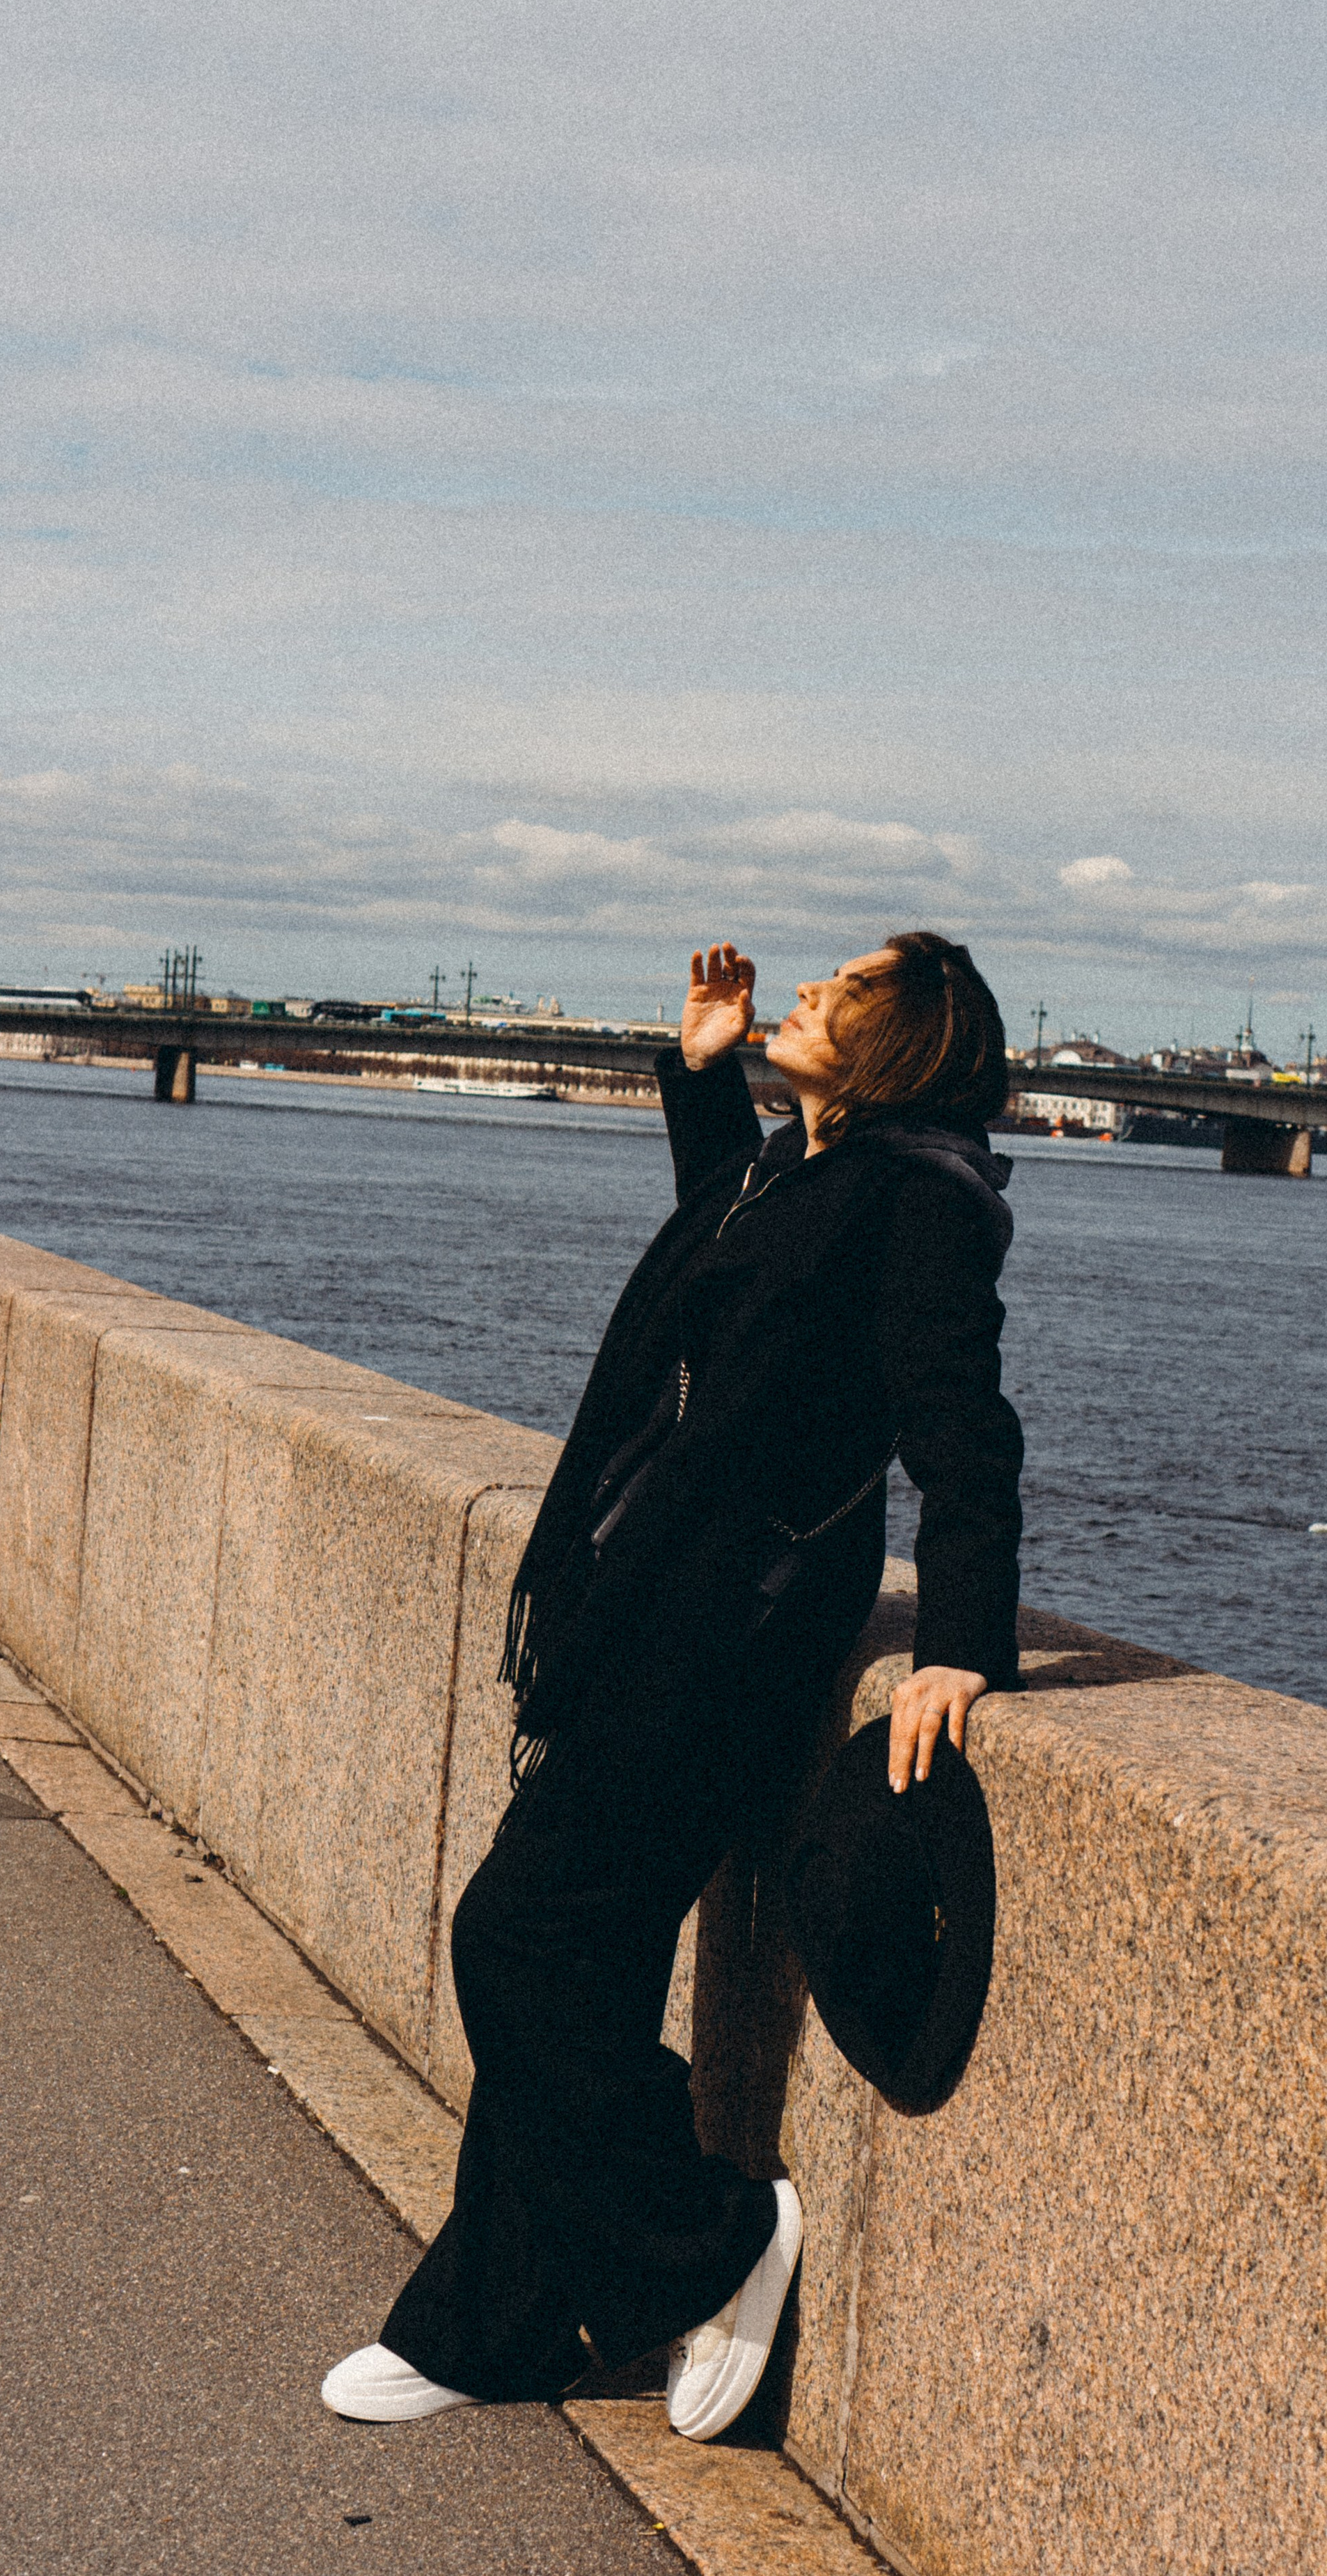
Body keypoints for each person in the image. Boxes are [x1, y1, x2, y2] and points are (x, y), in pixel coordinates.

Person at [322, 932, 1024, 2434]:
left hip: (729, 1630)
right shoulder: (805, 1166)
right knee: (574, 1957)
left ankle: (710, 2237)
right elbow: (733, 1254)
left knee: (515, 1935)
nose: (803, 1001)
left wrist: (960, 1636)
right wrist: (702, 1072)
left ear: (901, 1043)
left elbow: (960, 1422)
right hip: (650, 1604)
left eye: (838, 994)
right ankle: (494, 2324)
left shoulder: (921, 1200)